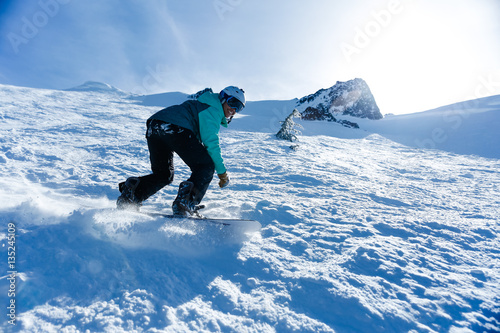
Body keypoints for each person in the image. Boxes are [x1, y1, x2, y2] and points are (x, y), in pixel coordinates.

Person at [116, 86, 246, 216]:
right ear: (223, 98)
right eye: (233, 102)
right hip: (174, 127)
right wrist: (222, 173)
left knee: (163, 174)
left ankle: (132, 195)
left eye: (239, 107)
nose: (234, 110)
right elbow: (211, 144)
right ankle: (186, 203)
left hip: (155, 127)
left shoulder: (205, 103)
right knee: (205, 166)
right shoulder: (213, 109)